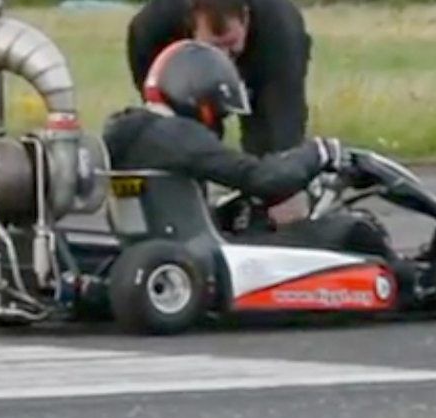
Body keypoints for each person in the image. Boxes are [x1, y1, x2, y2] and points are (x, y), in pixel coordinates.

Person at [103, 40, 395, 259]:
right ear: (197, 94)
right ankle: (412, 279)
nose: (218, 122)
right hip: (203, 256)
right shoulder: (177, 135)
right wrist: (319, 152)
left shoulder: (128, 133)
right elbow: (264, 178)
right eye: (218, 113)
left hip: (161, 249)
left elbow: (187, 199)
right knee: (352, 230)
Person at [126, 0, 311, 158]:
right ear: (190, 26)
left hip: (267, 50)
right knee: (180, 133)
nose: (223, 56)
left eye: (230, 44)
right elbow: (152, 87)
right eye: (214, 47)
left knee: (271, 138)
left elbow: (285, 113)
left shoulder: (280, 30)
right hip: (188, 58)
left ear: (245, 18)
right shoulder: (155, 25)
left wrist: (282, 164)